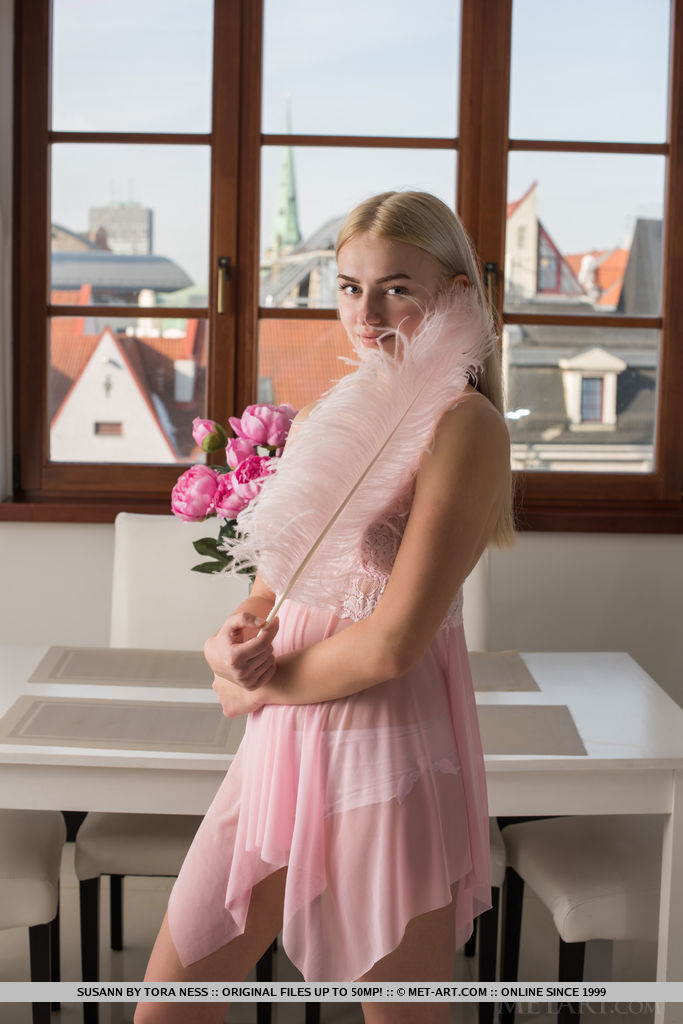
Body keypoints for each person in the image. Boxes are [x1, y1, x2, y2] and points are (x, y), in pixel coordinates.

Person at [136, 191, 514, 1024]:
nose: (365, 314)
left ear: (453, 293)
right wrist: (230, 643)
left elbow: (391, 645)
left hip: (385, 757)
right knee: (166, 1008)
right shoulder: (325, 418)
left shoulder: (464, 427)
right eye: (349, 288)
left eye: (395, 289)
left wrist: (257, 686)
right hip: (280, 752)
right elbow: (272, 591)